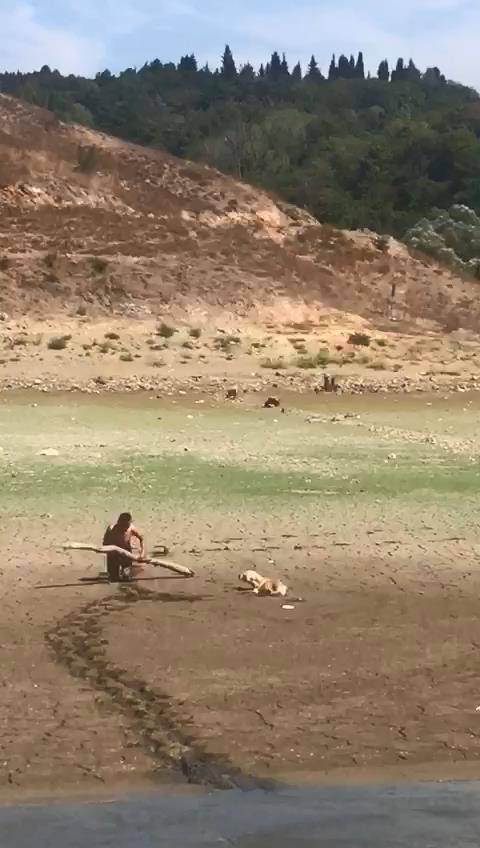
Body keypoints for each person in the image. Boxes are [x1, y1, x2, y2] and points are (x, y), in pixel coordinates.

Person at [103, 512, 145, 582]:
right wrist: (108, 550)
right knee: (113, 578)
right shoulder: (111, 528)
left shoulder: (131, 528)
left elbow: (141, 539)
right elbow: (105, 543)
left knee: (126, 577)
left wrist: (142, 553)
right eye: (124, 525)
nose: (126, 528)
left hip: (126, 553)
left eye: (127, 525)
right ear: (119, 522)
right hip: (113, 554)